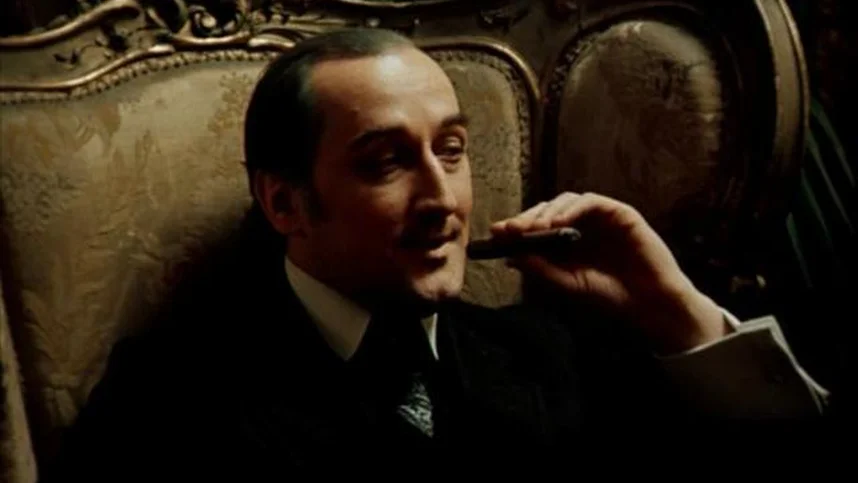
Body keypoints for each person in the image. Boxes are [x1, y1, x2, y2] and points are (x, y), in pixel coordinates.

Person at [49, 29, 829, 479]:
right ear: (284, 203)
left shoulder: (544, 353)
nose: (443, 197)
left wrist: (675, 310)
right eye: (386, 162)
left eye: (451, 151)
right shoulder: (169, 400)